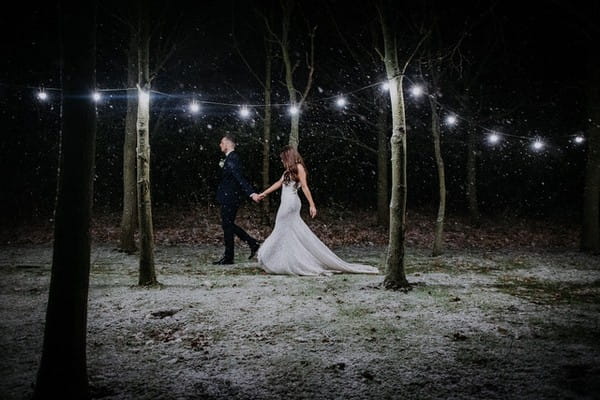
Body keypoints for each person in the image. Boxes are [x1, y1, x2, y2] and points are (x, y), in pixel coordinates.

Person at [256, 146, 379, 276]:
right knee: (285, 231)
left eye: (283, 158)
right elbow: (278, 183)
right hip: (285, 203)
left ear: (288, 157)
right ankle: (281, 260)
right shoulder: (288, 171)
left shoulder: (299, 168)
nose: (282, 161)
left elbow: (304, 186)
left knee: (281, 229)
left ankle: (278, 259)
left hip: (291, 203)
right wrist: (264, 193)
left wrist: (312, 205)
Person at [213, 134, 261, 265]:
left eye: (222, 143)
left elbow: (239, 178)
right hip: (228, 196)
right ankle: (236, 252)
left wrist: (251, 193)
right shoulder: (230, 158)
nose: (220, 145)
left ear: (228, 144)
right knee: (227, 225)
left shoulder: (233, 158)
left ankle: (248, 245)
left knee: (227, 225)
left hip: (231, 197)